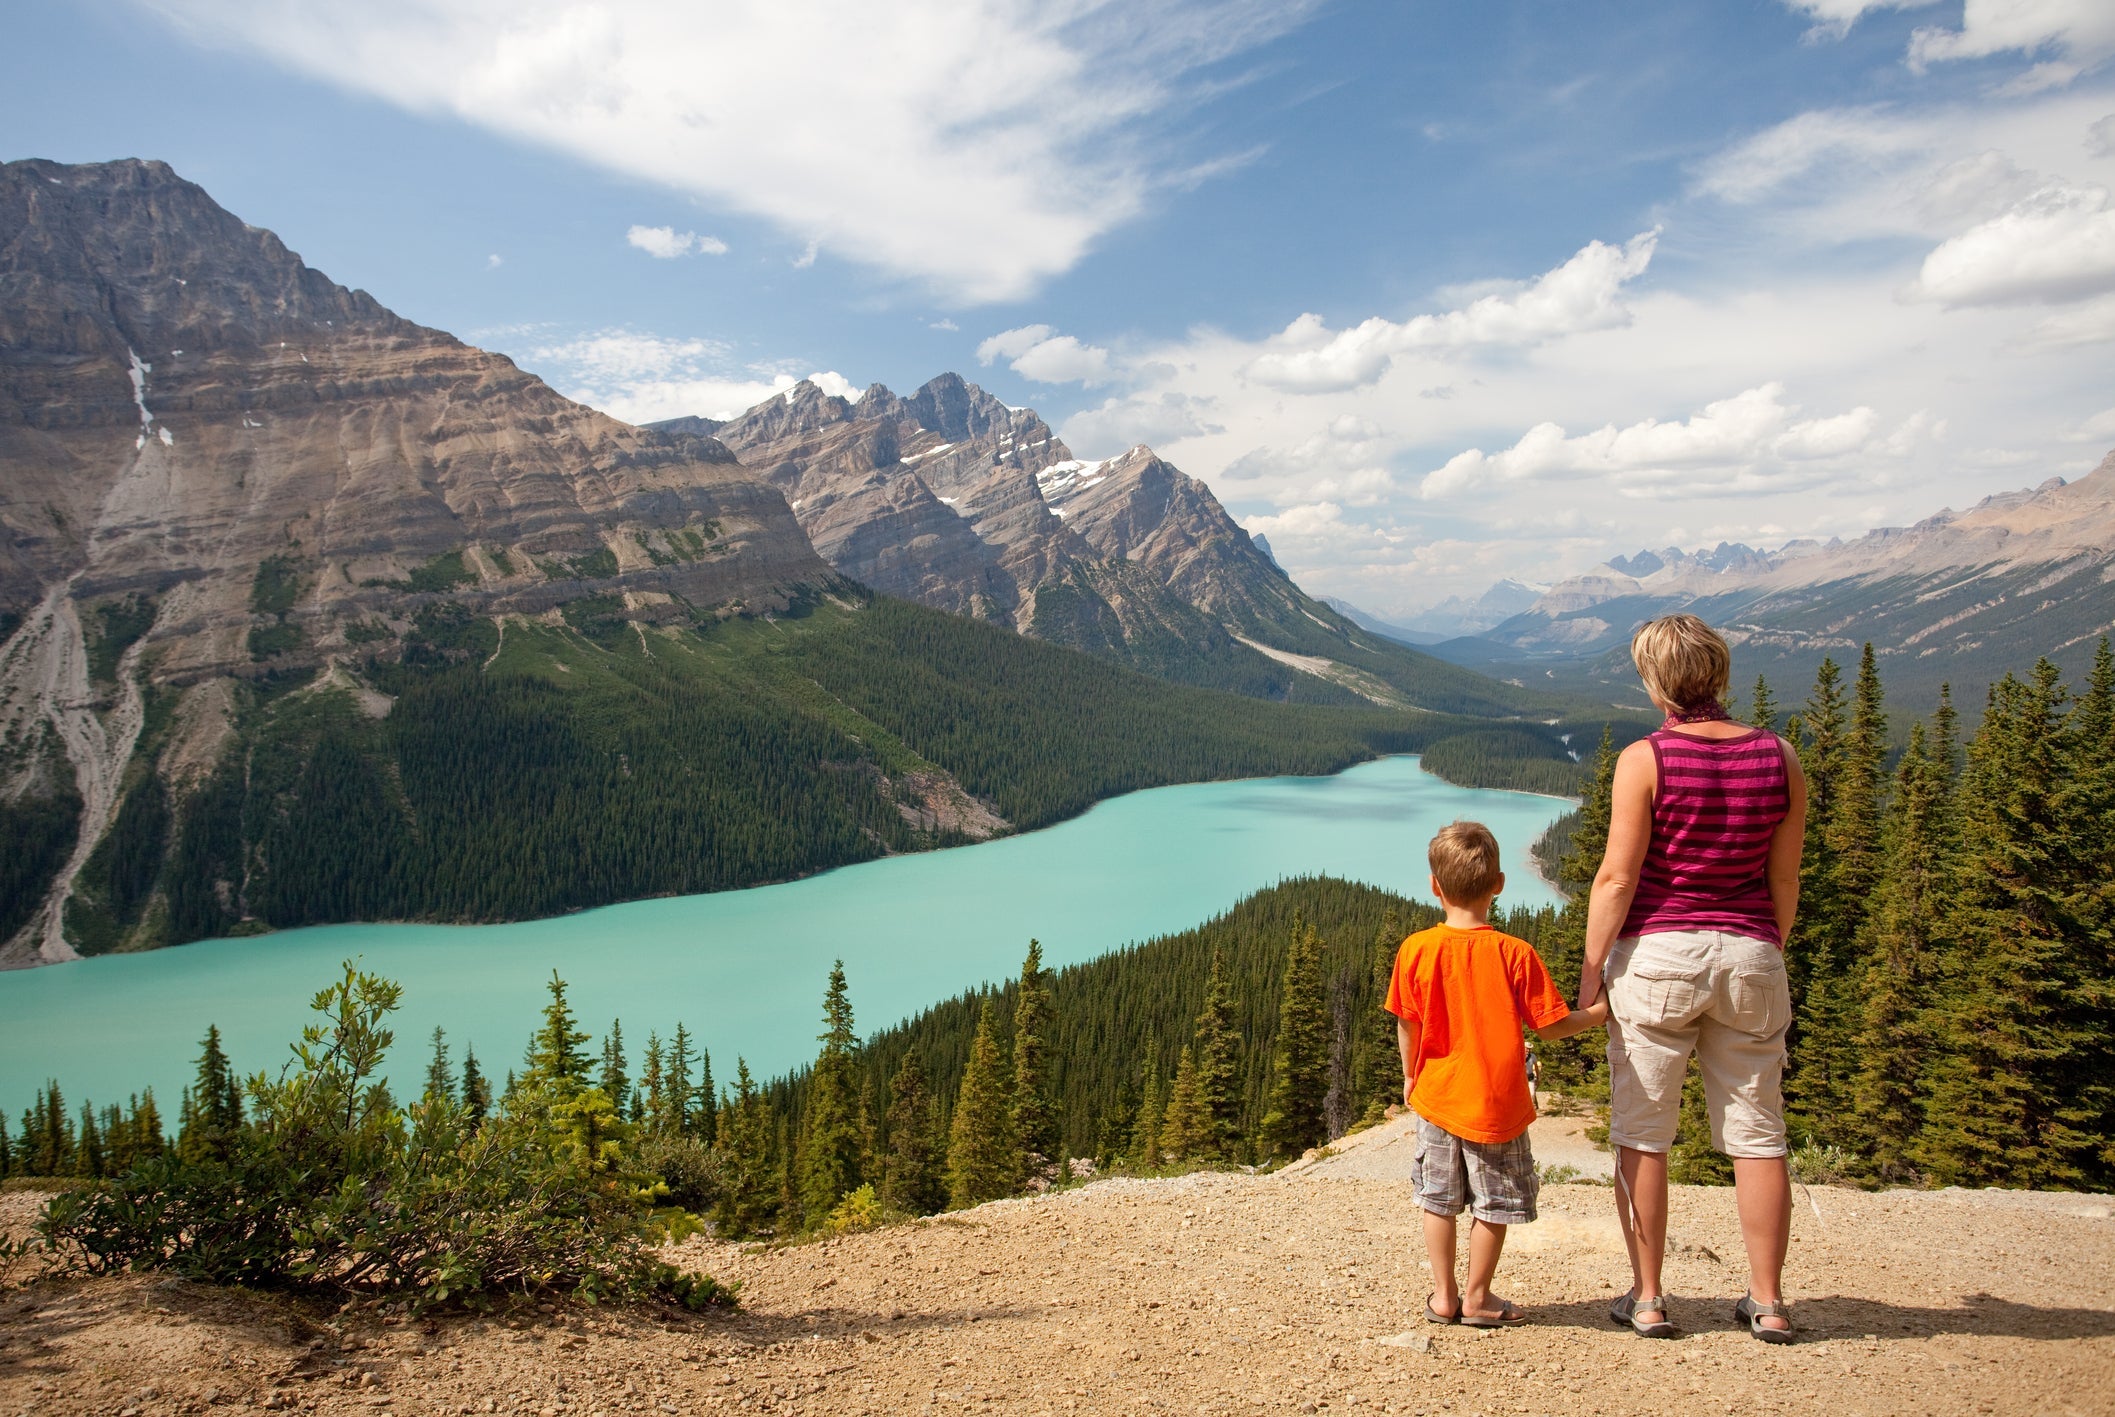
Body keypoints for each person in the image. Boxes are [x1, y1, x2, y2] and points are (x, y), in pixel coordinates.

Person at [1576, 613, 1806, 1344]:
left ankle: (1647, 1298)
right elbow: (1784, 876)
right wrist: (1763, 946)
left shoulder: (1646, 758)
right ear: (1720, 672)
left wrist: (1589, 976)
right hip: (1750, 955)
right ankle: (1766, 1301)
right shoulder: (1780, 757)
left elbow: (1616, 877)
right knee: (1756, 1132)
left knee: (1643, 1133)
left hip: (1658, 957)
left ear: (1654, 682)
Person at [1387, 821, 1609, 1328]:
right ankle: (1478, 1298)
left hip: (1438, 1098)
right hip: (1498, 1105)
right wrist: (1596, 1015)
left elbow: (1408, 1022)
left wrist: (1409, 1077)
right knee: (1494, 1202)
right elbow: (1550, 1027)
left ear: (1434, 886)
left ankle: (1443, 1298)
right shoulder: (1515, 954)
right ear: (1499, 884)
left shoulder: (1416, 949)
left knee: (1438, 1201)